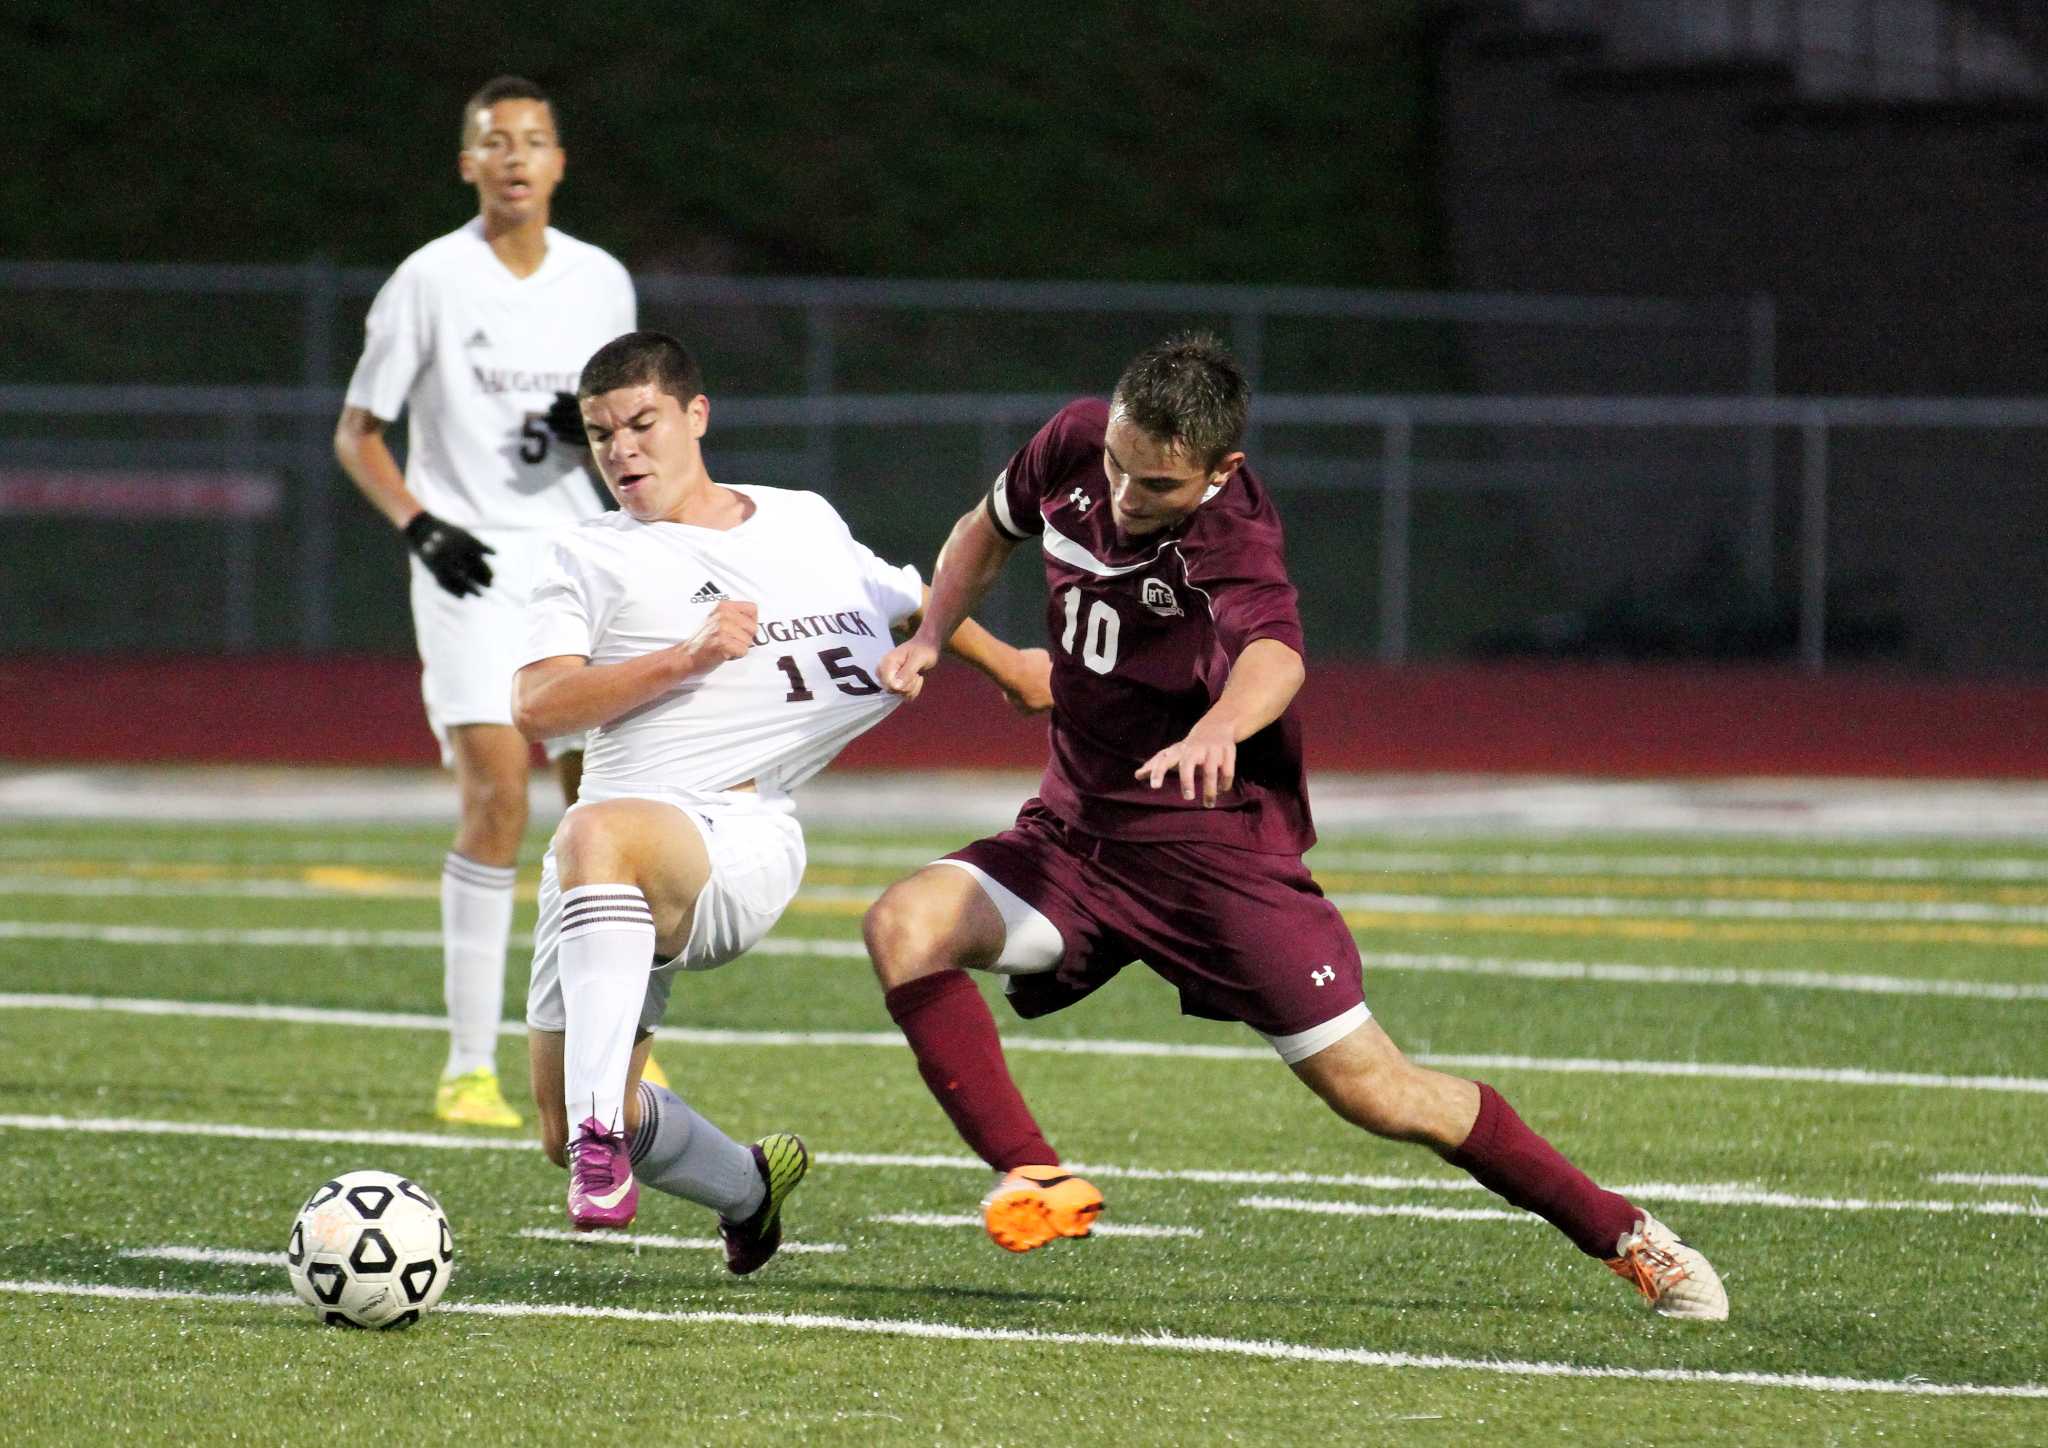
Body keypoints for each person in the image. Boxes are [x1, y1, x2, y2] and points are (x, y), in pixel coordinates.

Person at [865, 332, 1729, 1320]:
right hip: (1072, 836)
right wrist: (933, 632)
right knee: (905, 922)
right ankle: (1035, 1172)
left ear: (1219, 471)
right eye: (1113, 462)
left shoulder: (1230, 532)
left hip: (1209, 856)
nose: (1121, 494)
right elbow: (983, 528)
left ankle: (1625, 1233)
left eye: (1152, 482)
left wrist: (1219, 726)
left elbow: (1273, 653)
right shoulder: (1073, 443)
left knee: (1378, 1090)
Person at [511, 330, 1050, 1267]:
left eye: (642, 424)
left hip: (737, 835)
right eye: (601, 436)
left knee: (591, 833)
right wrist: (686, 656)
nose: (622, 451)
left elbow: (906, 599)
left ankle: (604, 1144)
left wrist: (1010, 669)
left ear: (696, 416)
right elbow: (537, 703)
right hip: (614, 861)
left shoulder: (800, 518)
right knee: (556, 1122)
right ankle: (745, 1188)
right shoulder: (587, 553)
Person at [333, 75, 649, 1130]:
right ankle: (469, 1065)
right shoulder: (428, 279)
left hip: (578, 565)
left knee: (601, 807)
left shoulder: (600, 280)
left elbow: (625, 429)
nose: (515, 157)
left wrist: (592, 434)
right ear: (467, 164)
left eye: (534, 140)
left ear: (560, 161)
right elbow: (357, 431)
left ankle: (612, 1053)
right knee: (495, 795)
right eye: (494, 143)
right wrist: (420, 525)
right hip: (467, 566)